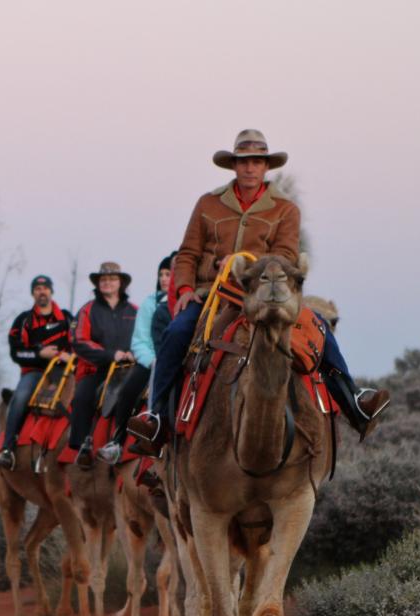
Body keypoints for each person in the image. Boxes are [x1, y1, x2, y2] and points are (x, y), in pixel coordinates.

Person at [129, 129, 389, 453]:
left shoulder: (285, 209)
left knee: (318, 326)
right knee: (176, 333)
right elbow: (187, 253)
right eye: (244, 161)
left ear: (266, 166)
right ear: (234, 166)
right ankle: (155, 419)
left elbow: (287, 257)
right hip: (211, 294)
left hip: (261, 294)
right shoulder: (208, 204)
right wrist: (184, 287)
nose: (250, 168)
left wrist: (245, 265)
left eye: (257, 161)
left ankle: (354, 403)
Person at [97, 254, 173, 465]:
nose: (165, 278)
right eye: (162, 274)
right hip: (152, 361)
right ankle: (117, 442)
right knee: (127, 391)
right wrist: (153, 361)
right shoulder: (150, 303)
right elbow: (140, 340)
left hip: (178, 361)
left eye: (169, 273)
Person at [0, 274, 74, 469]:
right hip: (35, 372)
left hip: (64, 370)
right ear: (33, 293)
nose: (42, 292)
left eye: (45, 288)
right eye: (38, 289)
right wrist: (41, 354)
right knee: (21, 397)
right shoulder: (23, 320)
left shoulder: (66, 318)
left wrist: (69, 356)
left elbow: (78, 341)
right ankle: (8, 448)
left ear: (51, 291)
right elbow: (16, 352)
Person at [69, 262, 139, 470]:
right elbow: (79, 340)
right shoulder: (87, 310)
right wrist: (110, 355)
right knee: (82, 397)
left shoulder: (134, 310)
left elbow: (143, 337)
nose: (107, 283)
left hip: (129, 369)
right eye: (103, 280)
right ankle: (82, 446)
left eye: (112, 279)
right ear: (98, 284)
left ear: (121, 283)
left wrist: (134, 354)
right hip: (96, 369)